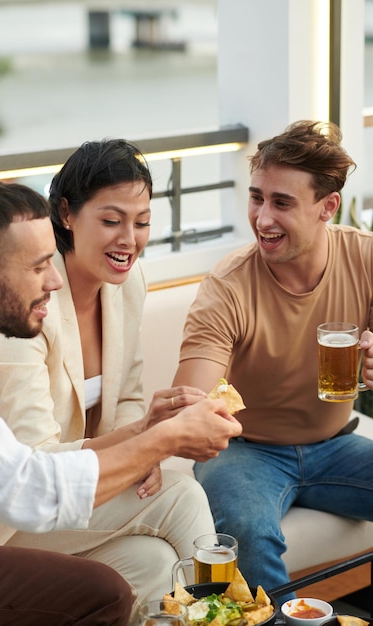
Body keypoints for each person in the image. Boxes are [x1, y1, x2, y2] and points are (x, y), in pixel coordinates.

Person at [0, 178, 242, 624]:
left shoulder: (120, 288)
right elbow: (28, 483)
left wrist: (145, 433)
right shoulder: (4, 336)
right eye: (38, 266)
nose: (53, 280)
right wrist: (161, 440)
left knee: (148, 565)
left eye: (143, 222)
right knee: (181, 494)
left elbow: (126, 394)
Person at [172, 120, 373, 599]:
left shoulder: (365, 258)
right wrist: (196, 412)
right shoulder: (227, 287)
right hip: (247, 452)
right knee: (244, 526)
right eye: (256, 197)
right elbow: (192, 399)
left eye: (281, 202)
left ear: (328, 206)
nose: (262, 218)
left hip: (336, 445)